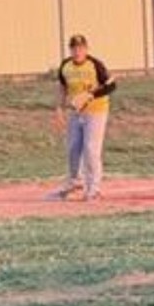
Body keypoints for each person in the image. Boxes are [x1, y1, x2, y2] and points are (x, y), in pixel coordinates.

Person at [47, 34, 116, 201]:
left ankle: (94, 189)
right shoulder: (66, 66)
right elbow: (63, 87)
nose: (77, 51)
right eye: (74, 48)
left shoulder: (95, 64)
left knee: (91, 149)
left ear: (86, 49)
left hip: (96, 111)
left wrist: (91, 95)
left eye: (80, 47)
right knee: (73, 148)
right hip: (75, 112)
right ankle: (74, 184)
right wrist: (59, 108)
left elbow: (111, 85)